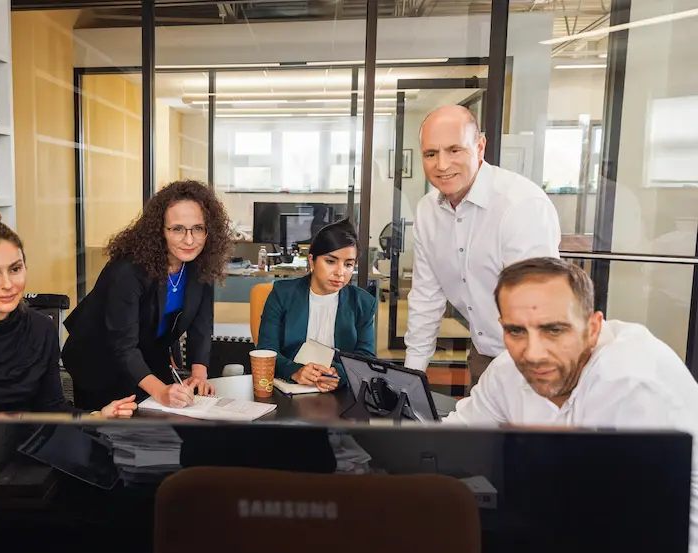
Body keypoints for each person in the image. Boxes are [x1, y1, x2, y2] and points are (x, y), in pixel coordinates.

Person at [443, 257, 698, 553]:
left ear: (593, 328)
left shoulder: (632, 383)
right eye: (516, 331)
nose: (532, 353)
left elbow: (629, 535)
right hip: (572, 539)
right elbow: (449, 446)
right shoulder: (507, 370)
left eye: (554, 330)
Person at [0, 205, 136, 419]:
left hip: (37, 444)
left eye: (15, 269)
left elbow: (53, 409)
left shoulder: (43, 329)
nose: (8, 284)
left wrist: (97, 417)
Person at [404, 104, 561, 391]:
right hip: (483, 355)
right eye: (431, 154)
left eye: (454, 150)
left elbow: (537, 308)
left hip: (536, 360)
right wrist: (410, 379)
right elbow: (427, 298)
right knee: (480, 435)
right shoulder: (428, 211)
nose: (441, 165)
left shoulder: (520, 206)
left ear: (480, 147)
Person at [62, 180, 233, 410]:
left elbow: (201, 325)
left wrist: (199, 373)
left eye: (198, 228)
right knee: (111, 432)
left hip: (148, 351)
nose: (190, 240)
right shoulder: (128, 270)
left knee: (163, 421)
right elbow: (122, 346)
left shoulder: (200, 264)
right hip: (99, 357)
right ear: (159, 231)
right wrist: (161, 391)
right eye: (178, 229)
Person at [256, 220, 377, 392]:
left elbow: (366, 358)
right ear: (312, 261)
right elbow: (266, 351)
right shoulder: (282, 294)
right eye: (330, 261)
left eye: (348, 264)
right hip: (288, 390)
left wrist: (339, 374)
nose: (340, 272)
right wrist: (294, 371)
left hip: (340, 393)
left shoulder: (363, 303)